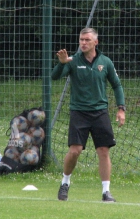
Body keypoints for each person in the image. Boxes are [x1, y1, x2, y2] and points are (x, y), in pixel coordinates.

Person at [52, 27, 125, 202]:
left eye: (87, 40)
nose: (83, 43)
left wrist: (121, 108)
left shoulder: (105, 62)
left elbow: (117, 85)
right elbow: (54, 77)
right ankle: (65, 183)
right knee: (75, 151)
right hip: (79, 112)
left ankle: (106, 192)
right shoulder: (73, 61)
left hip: (100, 113)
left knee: (103, 150)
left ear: (95, 42)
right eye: (81, 40)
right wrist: (61, 63)